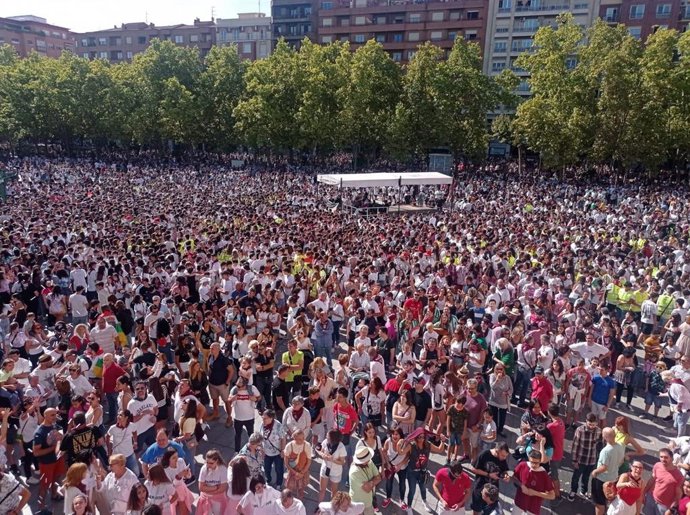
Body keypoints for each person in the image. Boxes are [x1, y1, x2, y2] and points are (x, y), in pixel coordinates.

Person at [33, 407, 66, 510]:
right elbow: (36, 452)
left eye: (55, 414)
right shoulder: (39, 432)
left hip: (57, 459)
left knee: (57, 478)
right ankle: (41, 507)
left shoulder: (54, 425)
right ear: (45, 416)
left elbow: (58, 438)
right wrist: (52, 448)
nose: (55, 417)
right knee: (44, 485)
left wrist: (60, 439)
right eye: (52, 415)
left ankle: (54, 494)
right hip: (46, 463)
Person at [469, 442, 510, 515]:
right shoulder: (485, 454)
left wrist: (506, 476)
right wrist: (488, 475)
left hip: (492, 494)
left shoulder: (502, 459)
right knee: (476, 510)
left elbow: (504, 471)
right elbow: (473, 469)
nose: (504, 458)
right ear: (497, 451)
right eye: (503, 455)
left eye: (506, 456)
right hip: (480, 489)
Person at [592, 427, 625, 515]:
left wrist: (595, 472)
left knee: (600, 503)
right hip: (614, 478)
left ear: (605, 437)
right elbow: (621, 461)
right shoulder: (621, 446)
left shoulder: (606, 451)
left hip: (602, 480)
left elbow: (604, 467)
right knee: (610, 499)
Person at [512, 449, 556, 515]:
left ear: (540, 461)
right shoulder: (522, 465)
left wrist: (534, 493)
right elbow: (513, 477)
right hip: (519, 501)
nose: (533, 465)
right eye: (531, 462)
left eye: (536, 463)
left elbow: (552, 496)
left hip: (533, 507)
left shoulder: (544, 475)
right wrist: (521, 485)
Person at [644, 448, 684, 515]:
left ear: (671, 458)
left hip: (664, 506)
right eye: (661, 457)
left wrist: (671, 509)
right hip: (651, 498)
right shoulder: (657, 465)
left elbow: (678, 495)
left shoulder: (679, 475)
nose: (663, 459)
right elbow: (652, 479)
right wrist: (643, 493)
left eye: (666, 457)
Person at [317, 429, 348, 505]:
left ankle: (331, 508)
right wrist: (322, 455)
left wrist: (332, 459)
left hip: (335, 472)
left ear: (333, 438)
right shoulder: (325, 441)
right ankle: (319, 507)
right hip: (325, 469)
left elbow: (342, 462)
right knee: (322, 490)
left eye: (328, 435)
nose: (326, 436)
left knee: (334, 491)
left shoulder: (341, 447)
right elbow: (320, 450)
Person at [207, 342, 234, 427]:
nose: (211, 350)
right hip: (212, 383)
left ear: (218, 349)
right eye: (210, 348)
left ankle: (229, 418)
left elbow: (231, 370)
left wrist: (227, 382)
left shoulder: (224, 359)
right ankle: (216, 413)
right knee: (214, 399)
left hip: (222, 385)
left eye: (212, 348)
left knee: (226, 401)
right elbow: (209, 366)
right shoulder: (210, 356)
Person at [348, 446, 382, 515]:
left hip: (368, 501)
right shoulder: (355, 472)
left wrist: (370, 483)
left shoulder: (369, 462)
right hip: (357, 503)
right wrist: (374, 480)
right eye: (367, 459)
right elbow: (367, 489)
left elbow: (379, 477)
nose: (369, 459)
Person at [381, 427, 409, 509]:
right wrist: (387, 463)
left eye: (396, 434)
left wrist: (400, 465)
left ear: (400, 435)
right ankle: (388, 498)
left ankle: (402, 500)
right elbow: (384, 451)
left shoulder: (405, 443)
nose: (394, 436)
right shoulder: (388, 441)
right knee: (389, 483)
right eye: (393, 434)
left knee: (402, 484)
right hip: (391, 466)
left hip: (402, 467)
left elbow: (408, 455)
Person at [197, 449, 229, 514]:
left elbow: (222, 488)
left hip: (218, 499)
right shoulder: (204, 468)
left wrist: (207, 489)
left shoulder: (223, 469)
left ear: (217, 461)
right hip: (205, 498)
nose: (208, 465)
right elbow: (201, 488)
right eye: (207, 462)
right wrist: (215, 487)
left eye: (211, 463)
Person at [284, 427, 312, 498]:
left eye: (303, 438)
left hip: (303, 471)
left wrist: (302, 473)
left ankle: (299, 505)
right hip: (292, 471)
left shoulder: (307, 445)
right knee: (289, 489)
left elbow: (309, 462)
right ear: (294, 438)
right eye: (299, 439)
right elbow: (286, 463)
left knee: (301, 490)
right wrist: (295, 473)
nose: (302, 440)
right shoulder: (289, 446)